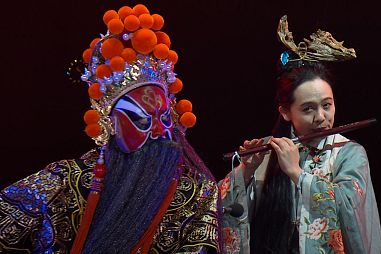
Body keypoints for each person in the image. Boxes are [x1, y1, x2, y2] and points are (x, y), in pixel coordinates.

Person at [0, 3, 220, 253]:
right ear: (109, 123)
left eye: (165, 117)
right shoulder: (64, 182)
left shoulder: (196, 195)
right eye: (140, 119)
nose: (160, 131)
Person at [219, 15, 381, 254]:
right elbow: (223, 211)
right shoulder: (268, 150)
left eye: (327, 105)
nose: (321, 117)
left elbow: (351, 210)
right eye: (308, 109)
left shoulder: (349, 153)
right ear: (285, 112)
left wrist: (297, 174)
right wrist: (246, 172)